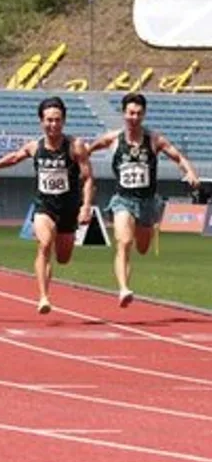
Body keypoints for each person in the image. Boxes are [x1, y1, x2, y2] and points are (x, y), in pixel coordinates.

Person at [87, 92, 200, 307]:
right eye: (130, 113)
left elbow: (178, 156)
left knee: (142, 247)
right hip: (123, 199)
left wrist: (190, 172)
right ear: (124, 114)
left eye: (138, 113)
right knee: (124, 242)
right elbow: (88, 150)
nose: (134, 117)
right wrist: (83, 164)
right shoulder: (113, 139)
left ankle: (127, 278)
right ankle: (123, 289)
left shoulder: (154, 140)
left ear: (144, 114)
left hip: (147, 203)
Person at [0, 97, 94, 314]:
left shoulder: (75, 146)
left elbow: (88, 179)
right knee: (44, 244)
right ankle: (43, 297)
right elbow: (15, 157)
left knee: (63, 258)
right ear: (41, 122)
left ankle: (52, 266)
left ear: (64, 121)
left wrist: (86, 206)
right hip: (44, 205)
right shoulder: (36, 146)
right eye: (49, 120)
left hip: (69, 208)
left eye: (57, 120)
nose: (53, 125)